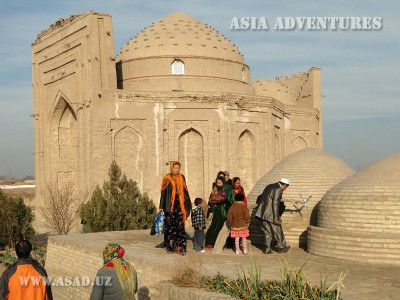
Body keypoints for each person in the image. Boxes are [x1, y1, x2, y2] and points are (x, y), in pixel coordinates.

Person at [159, 161, 192, 255]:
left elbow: (185, 192)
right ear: (172, 168)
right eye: (175, 168)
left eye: (178, 168)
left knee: (180, 227)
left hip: (180, 205)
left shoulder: (182, 177)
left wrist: (187, 206)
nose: (177, 169)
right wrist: (161, 206)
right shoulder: (167, 178)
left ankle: (180, 247)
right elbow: (164, 193)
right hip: (170, 206)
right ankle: (170, 247)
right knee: (170, 227)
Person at [254, 178, 291, 254]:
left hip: (262, 213)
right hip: (271, 214)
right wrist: (276, 217)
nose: (285, 189)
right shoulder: (278, 189)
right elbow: (275, 203)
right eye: (286, 187)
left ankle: (267, 249)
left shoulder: (269, 186)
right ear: (285, 185)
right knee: (277, 230)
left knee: (266, 232)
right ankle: (281, 247)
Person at [205, 176, 234, 249]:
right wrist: (212, 204)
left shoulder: (228, 188)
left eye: (220, 182)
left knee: (222, 227)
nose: (218, 183)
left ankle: (222, 244)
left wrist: (222, 200)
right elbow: (211, 199)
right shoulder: (215, 188)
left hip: (223, 210)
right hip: (216, 210)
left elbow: (231, 199)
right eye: (217, 182)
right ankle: (211, 243)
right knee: (214, 226)